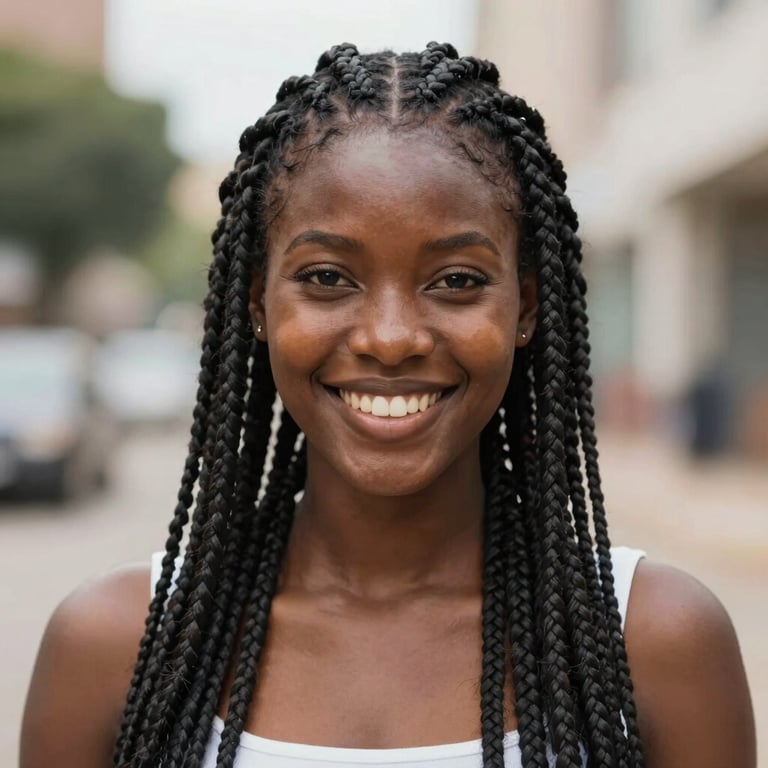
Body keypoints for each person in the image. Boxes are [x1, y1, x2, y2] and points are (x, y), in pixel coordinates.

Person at [20, 42, 755, 768]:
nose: (392, 338)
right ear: (257, 302)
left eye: (458, 281)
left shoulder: (654, 643)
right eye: (329, 277)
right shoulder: (116, 645)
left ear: (527, 306)